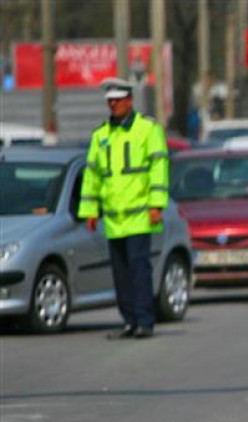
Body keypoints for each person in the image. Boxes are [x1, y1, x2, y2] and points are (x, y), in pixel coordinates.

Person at [78, 77, 169, 339]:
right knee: (120, 273)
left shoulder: (148, 130)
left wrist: (156, 204)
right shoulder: (101, 135)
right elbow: (92, 175)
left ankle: (144, 321)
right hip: (114, 219)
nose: (114, 105)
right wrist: (90, 210)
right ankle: (129, 320)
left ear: (130, 100)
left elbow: (159, 169)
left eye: (118, 100)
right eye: (110, 101)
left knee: (139, 269)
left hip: (140, 215)